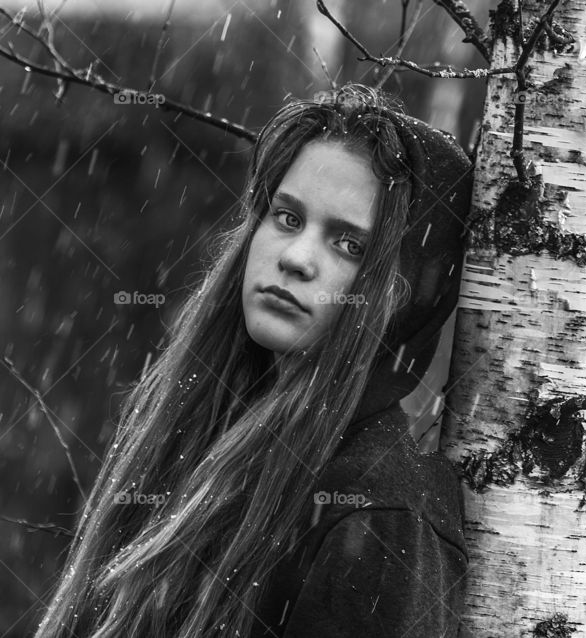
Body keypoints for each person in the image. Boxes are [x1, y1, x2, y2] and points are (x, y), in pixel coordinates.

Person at [33, 82, 474, 638]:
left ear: (404, 295)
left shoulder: (381, 514)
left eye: (349, 244)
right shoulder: (195, 426)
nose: (294, 258)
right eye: (288, 218)